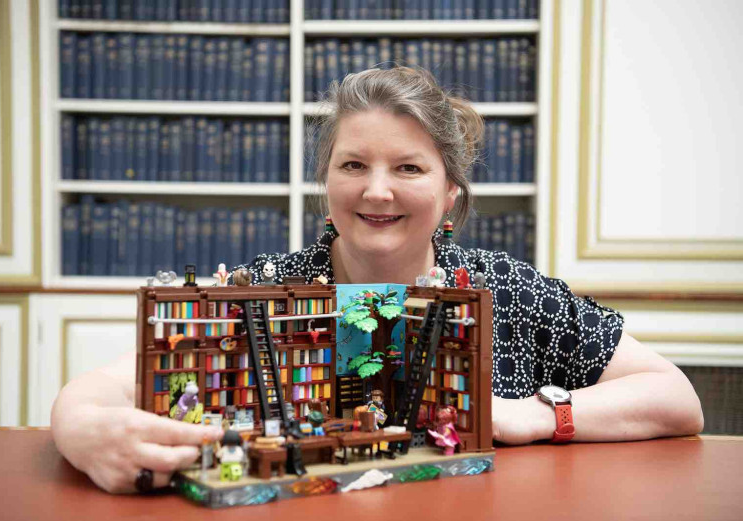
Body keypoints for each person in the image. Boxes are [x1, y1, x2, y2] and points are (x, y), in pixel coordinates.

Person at [51, 66, 703, 494]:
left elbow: (675, 397)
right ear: (326, 182)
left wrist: (535, 416)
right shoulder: (265, 287)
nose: (377, 190)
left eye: (409, 168)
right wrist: (81, 428)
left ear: (450, 194)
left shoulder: (509, 290)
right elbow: (101, 388)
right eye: (354, 164)